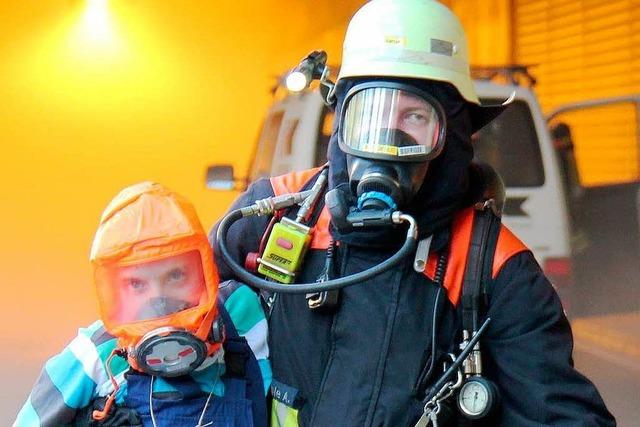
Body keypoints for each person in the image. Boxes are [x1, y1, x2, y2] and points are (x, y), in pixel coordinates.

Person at [212, 1, 615, 426]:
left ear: (451, 134)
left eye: (415, 116)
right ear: (343, 121)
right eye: (369, 112)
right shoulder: (273, 215)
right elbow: (175, 319)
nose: (387, 138)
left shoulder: (494, 269)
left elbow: (562, 415)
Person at [15, 182, 270, 427]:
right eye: (137, 284)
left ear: (205, 273)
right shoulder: (96, 354)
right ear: (115, 292)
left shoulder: (240, 315)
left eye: (176, 275)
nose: (159, 299)